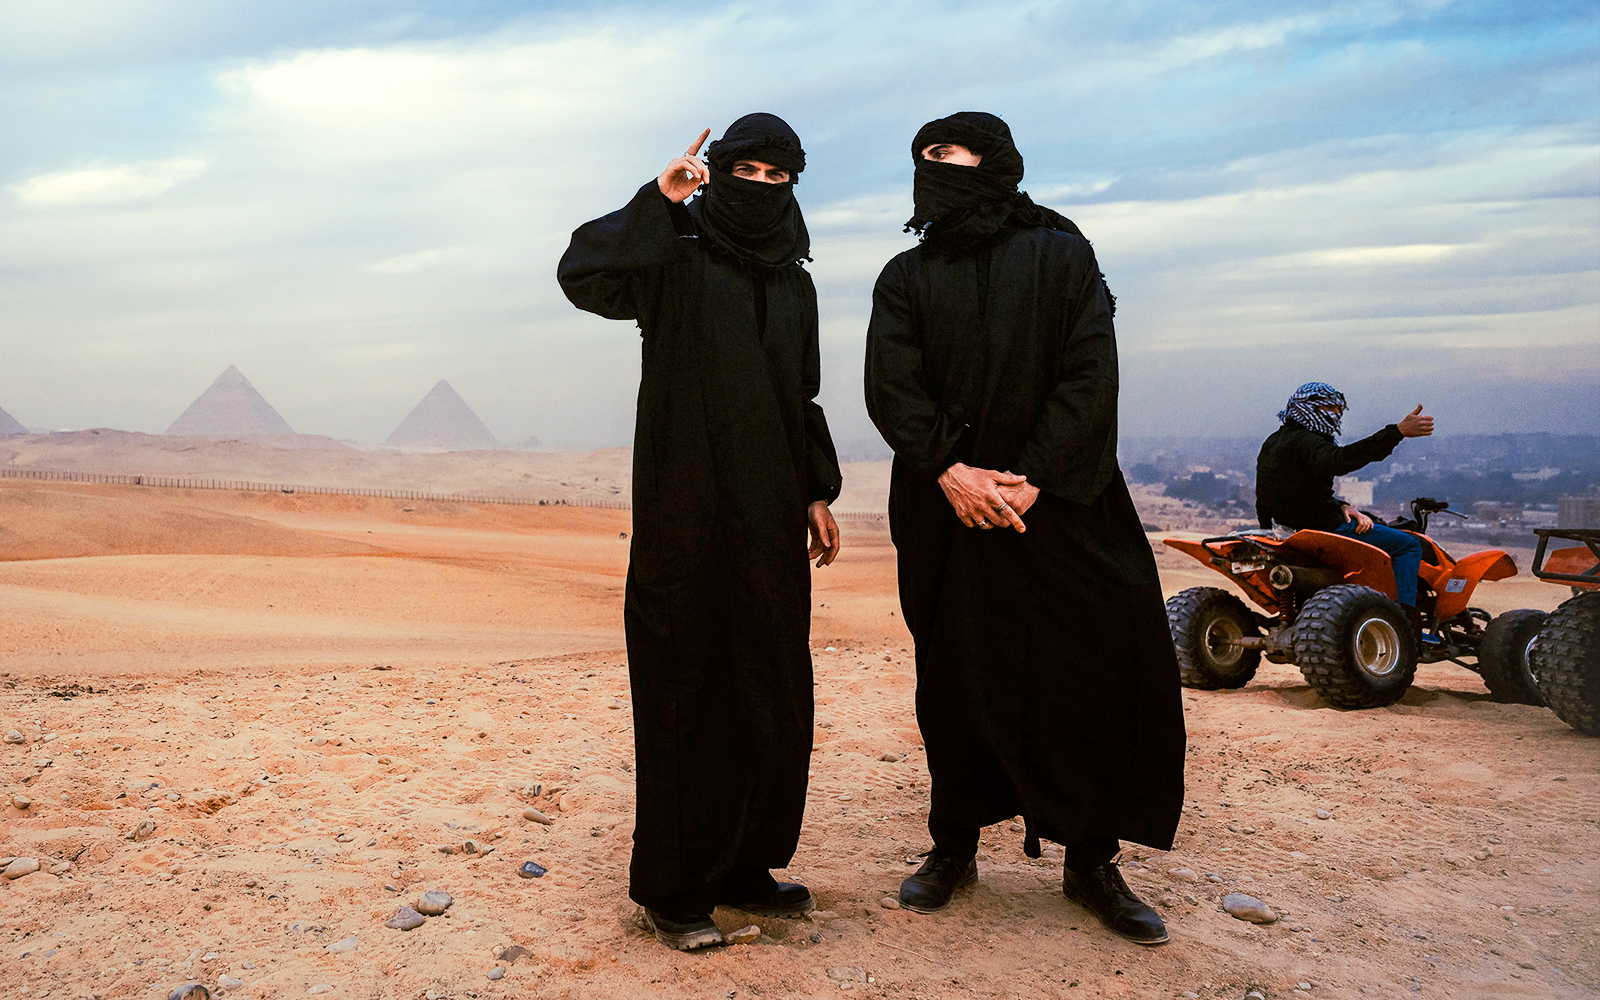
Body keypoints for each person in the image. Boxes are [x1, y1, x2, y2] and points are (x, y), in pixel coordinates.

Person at [864, 112, 1186, 946]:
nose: (934, 165)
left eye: (950, 152)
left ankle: (1092, 861)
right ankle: (954, 846)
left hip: (1065, 501)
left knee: (1089, 670)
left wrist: (1036, 477)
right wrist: (950, 470)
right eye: (923, 155)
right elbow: (892, 385)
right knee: (954, 675)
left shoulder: (1062, 254)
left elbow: (1091, 370)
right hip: (949, 507)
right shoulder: (905, 275)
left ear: (995, 160)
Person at [557, 113, 843, 951]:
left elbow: (803, 393)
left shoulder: (795, 282)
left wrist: (815, 492)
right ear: (716, 174)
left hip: (768, 520)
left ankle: (747, 867)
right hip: (686, 515)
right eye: (742, 171)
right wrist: (658, 198)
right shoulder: (672, 261)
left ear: (793, 184)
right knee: (689, 690)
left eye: (777, 176)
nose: (760, 188)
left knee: (771, 691)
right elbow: (583, 275)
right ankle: (676, 892)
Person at [1255, 382, 1434, 614]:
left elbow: (1288, 491)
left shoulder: (1274, 442)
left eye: (1339, 409)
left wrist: (1341, 506)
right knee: (1409, 546)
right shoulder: (1309, 442)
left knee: (1375, 523)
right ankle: (1406, 620)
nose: (1337, 414)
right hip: (1322, 529)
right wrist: (1397, 432)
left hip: (1288, 530)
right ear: (1306, 408)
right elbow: (1341, 459)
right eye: (1329, 407)